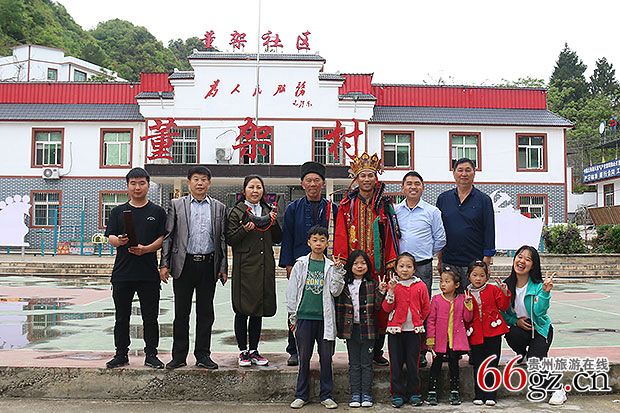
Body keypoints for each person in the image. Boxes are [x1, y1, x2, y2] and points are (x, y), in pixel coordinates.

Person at [333, 152, 399, 366]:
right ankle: (355, 350)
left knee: (378, 307)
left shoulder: (384, 204)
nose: (367, 179)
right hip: (354, 267)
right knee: (353, 306)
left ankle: (376, 350)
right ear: (357, 178)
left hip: (378, 267)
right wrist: (342, 263)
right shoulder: (347, 205)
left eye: (371, 175)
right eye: (363, 175)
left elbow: (391, 235)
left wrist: (391, 262)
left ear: (376, 177)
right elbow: (341, 234)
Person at [159, 166, 228, 370]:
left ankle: (203, 355)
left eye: (204, 179)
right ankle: (179, 356)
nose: (200, 183)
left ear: (209, 183)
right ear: (189, 182)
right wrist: (164, 264)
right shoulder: (176, 205)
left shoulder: (219, 207)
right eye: (196, 179)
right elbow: (168, 236)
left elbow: (222, 239)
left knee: (206, 313)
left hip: (208, 265)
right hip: (184, 264)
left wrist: (223, 266)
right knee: (181, 313)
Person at [105, 167, 166, 369]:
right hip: (122, 273)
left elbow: (162, 238)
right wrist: (119, 241)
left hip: (148, 273)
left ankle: (151, 354)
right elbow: (110, 236)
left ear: (148, 185)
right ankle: (121, 354)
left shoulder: (157, 212)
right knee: (121, 317)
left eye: (141, 183)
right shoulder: (118, 211)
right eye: (133, 183)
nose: (137, 187)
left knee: (151, 317)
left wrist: (146, 249)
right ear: (127, 186)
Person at [279, 161, 338, 366]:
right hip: (300, 265)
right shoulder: (293, 208)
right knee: (295, 304)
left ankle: (327, 348)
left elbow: (337, 237)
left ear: (323, 183)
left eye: (317, 180)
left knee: (327, 305)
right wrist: (288, 264)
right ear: (302, 183)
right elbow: (287, 237)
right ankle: (294, 349)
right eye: (309, 180)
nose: (313, 184)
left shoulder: (332, 209)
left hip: (326, 265)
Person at [226, 175, 282, 367]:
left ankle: (254, 350)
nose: (255, 191)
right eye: (251, 187)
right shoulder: (236, 212)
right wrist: (244, 230)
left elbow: (278, 238)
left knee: (258, 310)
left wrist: (274, 222)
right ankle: (243, 351)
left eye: (259, 187)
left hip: (264, 265)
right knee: (242, 309)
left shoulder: (267, 211)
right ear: (244, 191)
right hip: (245, 267)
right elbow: (230, 239)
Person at [287, 226, 345, 410]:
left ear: (327, 243)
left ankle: (326, 395)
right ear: (308, 242)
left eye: (322, 240)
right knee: (303, 358)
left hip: (324, 319)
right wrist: (292, 315)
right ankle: (301, 395)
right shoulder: (301, 264)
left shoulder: (331, 266)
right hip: (304, 317)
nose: (318, 243)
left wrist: (338, 272)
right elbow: (292, 291)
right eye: (315, 240)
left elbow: (336, 291)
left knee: (326, 358)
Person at [395, 170, 446, 367]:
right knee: (400, 308)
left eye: (417, 183)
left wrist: (423, 254)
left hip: (422, 266)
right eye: (409, 183)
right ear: (402, 188)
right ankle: (401, 351)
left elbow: (440, 239)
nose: (413, 187)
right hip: (400, 269)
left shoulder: (432, 212)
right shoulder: (395, 211)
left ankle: (421, 351)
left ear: (423, 187)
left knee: (422, 309)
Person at [335, 250, 387, 408]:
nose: (359, 266)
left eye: (363, 263)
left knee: (366, 363)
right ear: (350, 266)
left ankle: (366, 394)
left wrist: (382, 291)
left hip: (368, 329)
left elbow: (377, 306)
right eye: (356, 263)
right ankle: (355, 394)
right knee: (354, 364)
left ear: (368, 266)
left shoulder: (372, 284)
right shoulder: (345, 285)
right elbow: (338, 305)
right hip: (351, 329)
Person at [436, 158, 495, 284]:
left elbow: (489, 230)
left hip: (474, 264)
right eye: (460, 170)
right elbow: (439, 230)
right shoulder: (443, 199)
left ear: (474, 173)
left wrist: (487, 261)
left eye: (468, 170)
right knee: (449, 296)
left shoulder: (484, 200)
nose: (464, 174)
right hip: (449, 261)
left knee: (471, 296)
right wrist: (439, 258)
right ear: (454, 173)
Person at [382, 252, 430, 408]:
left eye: (409, 266)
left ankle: (414, 392)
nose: (405, 270)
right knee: (396, 363)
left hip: (413, 331)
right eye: (401, 266)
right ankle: (397, 393)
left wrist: (418, 320)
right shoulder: (393, 285)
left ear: (414, 269)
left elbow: (426, 307)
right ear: (396, 268)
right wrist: (390, 291)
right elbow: (386, 308)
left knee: (413, 362)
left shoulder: (420, 286)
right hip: (395, 331)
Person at [426, 267, 473, 406]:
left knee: (454, 364)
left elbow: (467, 318)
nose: (443, 284)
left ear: (456, 284)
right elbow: (431, 321)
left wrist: (468, 304)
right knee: (436, 364)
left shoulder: (462, 299)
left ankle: (454, 391)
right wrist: (430, 339)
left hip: (455, 340)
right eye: (441, 281)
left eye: (447, 281)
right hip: (440, 340)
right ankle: (432, 391)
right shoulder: (436, 300)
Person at [466, 260, 511, 406]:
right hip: (476, 334)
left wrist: (504, 293)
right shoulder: (466, 293)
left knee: (492, 363)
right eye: (475, 275)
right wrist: (467, 305)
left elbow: (503, 306)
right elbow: (466, 317)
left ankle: (491, 394)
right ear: (468, 276)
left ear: (487, 277)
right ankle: (479, 394)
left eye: (482, 275)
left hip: (493, 332)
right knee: (478, 364)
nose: (478, 278)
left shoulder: (493, 289)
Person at [503, 245, 554, 361]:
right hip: (520, 329)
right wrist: (515, 321)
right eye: (520, 257)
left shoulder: (539, 286)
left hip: (539, 329)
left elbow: (539, 312)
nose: (522, 261)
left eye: (527, 259)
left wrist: (545, 293)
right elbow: (501, 313)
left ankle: (534, 352)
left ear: (533, 266)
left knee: (535, 363)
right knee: (512, 333)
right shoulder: (505, 286)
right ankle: (521, 352)